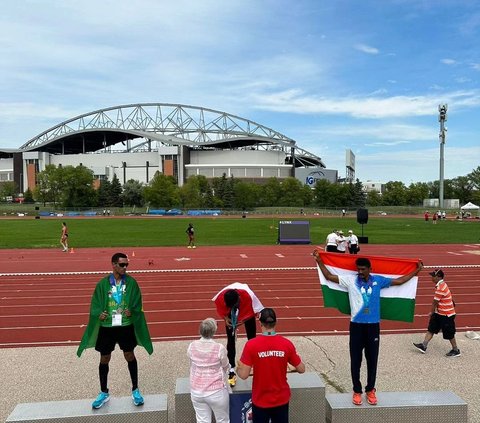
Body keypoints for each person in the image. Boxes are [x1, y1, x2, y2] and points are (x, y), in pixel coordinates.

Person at [313, 250, 423, 406]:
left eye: (363, 269)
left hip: (373, 327)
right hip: (356, 326)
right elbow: (329, 277)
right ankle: (357, 391)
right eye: (358, 269)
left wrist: (416, 270)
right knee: (355, 360)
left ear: (369, 269)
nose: (360, 272)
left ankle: (370, 390)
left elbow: (399, 281)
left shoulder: (379, 280)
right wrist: (319, 261)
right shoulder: (350, 281)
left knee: (372, 360)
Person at [77, 253, 153, 409]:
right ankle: (103, 392)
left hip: (125, 325)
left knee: (129, 355)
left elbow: (138, 301)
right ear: (113, 265)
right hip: (107, 327)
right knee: (104, 358)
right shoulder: (103, 284)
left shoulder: (131, 283)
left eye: (127, 265)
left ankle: (135, 390)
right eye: (122, 265)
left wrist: (133, 310)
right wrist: (99, 313)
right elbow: (95, 303)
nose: (125, 267)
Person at [237, 308, 305, 423]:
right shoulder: (286, 344)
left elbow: (243, 375)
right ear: (276, 322)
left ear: (260, 323)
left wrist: (238, 368)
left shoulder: (251, 345)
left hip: (260, 400)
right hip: (281, 399)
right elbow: (301, 369)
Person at [212, 282, 264, 387]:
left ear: (238, 299)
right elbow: (222, 311)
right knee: (230, 339)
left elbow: (256, 311)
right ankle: (231, 368)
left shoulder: (249, 296)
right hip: (232, 309)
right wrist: (226, 319)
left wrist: (242, 321)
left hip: (248, 308)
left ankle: (254, 363)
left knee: (252, 338)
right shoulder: (220, 299)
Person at [188, 318, 230, 423]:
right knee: (223, 420)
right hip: (216, 391)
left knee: (202, 420)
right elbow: (226, 365)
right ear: (214, 331)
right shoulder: (219, 348)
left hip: (197, 390)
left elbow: (191, 364)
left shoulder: (192, 346)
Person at [413, 269, 460, 357]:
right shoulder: (441, 285)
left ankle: (456, 350)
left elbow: (435, 302)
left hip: (446, 314)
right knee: (431, 328)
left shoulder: (441, 288)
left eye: (433, 276)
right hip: (439, 312)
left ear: (439, 277)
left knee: (449, 333)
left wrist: (431, 312)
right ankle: (424, 345)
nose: (432, 278)